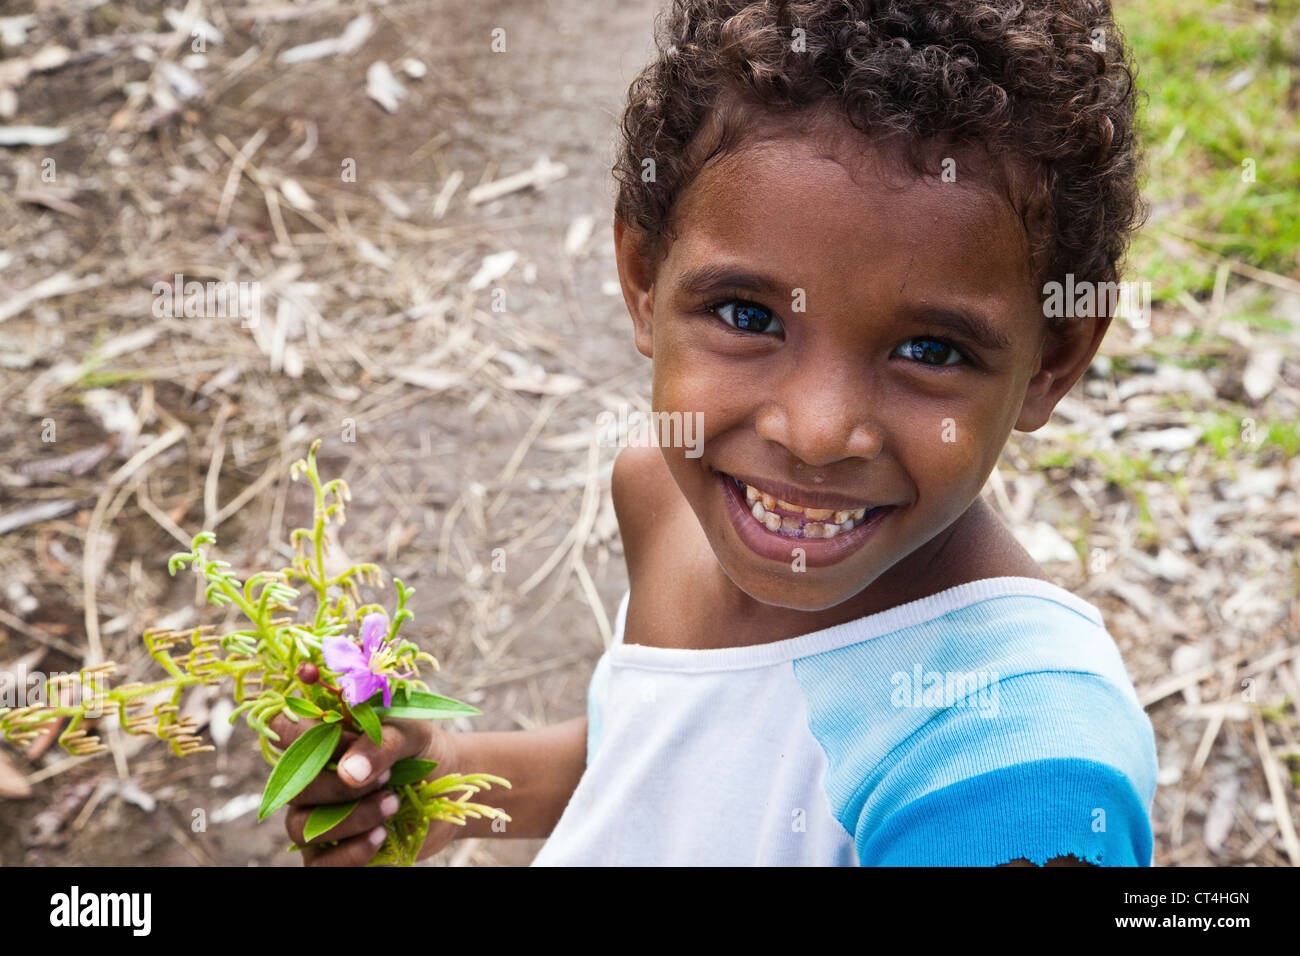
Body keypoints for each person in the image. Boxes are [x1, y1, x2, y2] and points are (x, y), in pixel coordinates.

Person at [271, 0, 1158, 866]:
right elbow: (659, 759)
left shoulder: (1008, 771)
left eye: (930, 349)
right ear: (642, 279)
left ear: (1055, 359)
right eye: (747, 313)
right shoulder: (663, 496)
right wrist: (453, 785)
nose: (814, 433)